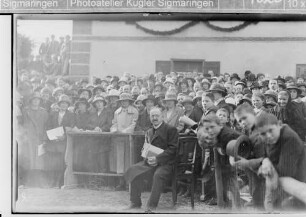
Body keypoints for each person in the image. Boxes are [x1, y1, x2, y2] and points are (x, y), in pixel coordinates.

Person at [124, 107, 179, 212]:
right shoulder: (149, 131)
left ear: (162, 117)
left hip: (166, 163)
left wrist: (157, 159)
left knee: (158, 175)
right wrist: (147, 158)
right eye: (152, 116)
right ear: (150, 118)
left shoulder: (171, 129)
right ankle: (135, 202)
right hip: (151, 163)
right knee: (133, 170)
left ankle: (151, 207)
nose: (154, 118)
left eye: (157, 116)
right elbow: (146, 149)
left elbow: (173, 150)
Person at [254, 113, 306, 211]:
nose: (268, 136)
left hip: (297, 182)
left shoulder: (289, 138)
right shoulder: (270, 137)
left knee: (282, 206)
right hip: (279, 179)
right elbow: (263, 152)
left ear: (279, 124)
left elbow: (285, 171)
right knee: (271, 204)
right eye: (263, 134)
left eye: (270, 130)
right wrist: (265, 161)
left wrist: (265, 166)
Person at [197, 114, 241, 208]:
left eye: (212, 127)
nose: (210, 130)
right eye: (207, 128)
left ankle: (237, 209)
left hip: (235, 156)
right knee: (221, 184)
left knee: (231, 183)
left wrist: (226, 151)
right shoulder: (215, 133)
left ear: (220, 125)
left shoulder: (228, 134)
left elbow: (238, 142)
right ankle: (224, 207)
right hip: (222, 160)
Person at [45, 94, 75, 188]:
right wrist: (52, 136)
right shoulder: (53, 114)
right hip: (53, 142)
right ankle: (52, 183)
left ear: (68, 105)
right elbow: (48, 126)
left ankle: (60, 183)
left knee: (62, 163)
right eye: (62, 103)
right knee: (52, 163)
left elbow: (72, 127)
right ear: (59, 104)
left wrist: (64, 136)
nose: (63, 105)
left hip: (64, 142)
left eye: (66, 103)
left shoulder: (71, 115)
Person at [21, 92, 49, 187]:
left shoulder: (44, 112)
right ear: (31, 100)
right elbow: (22, 125)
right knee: (29, 160)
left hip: (40, 139)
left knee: (39, 161)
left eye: (38, 99)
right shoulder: (25, 111)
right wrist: (24, 138)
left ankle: (39, 182)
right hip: (28, 139)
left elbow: (46, 126)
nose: (36, 101)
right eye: (34, 99)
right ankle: (28, 182)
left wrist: (45, 139)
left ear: (40, 101)